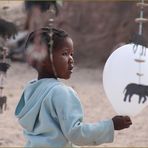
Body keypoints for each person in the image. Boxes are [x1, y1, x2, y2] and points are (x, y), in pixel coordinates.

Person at [15, 27, 132, 147]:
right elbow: (76, 134)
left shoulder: (30, 89)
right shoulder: (61, 92)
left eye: (71, 54)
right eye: (65, 54)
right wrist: (111, 125)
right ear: (43, 59)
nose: (71, 59)